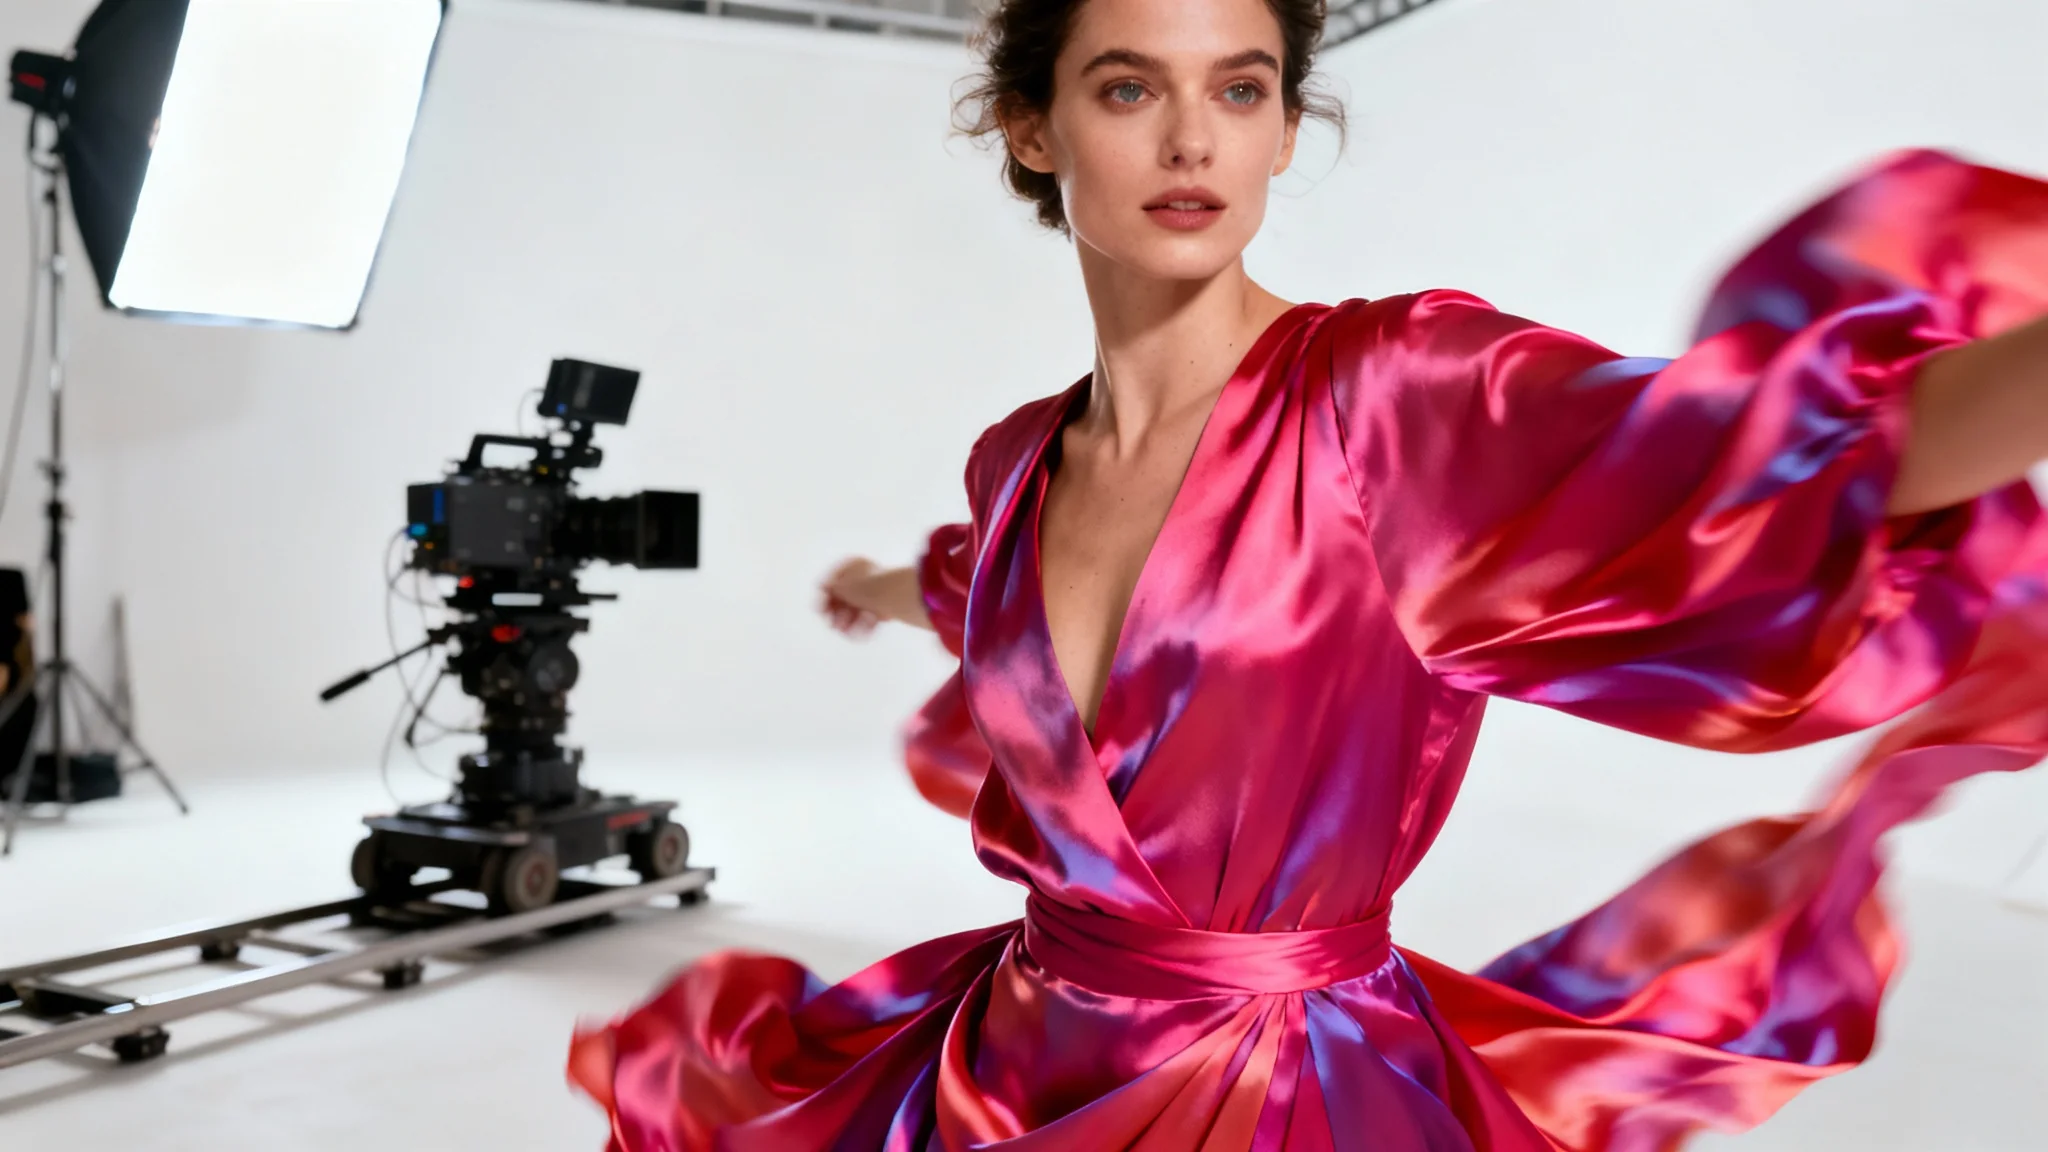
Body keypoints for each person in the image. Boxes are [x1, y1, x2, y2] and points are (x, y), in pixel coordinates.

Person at [568, 0, 2048, 1147]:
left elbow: (1776, 460)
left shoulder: (1387, 396)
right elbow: (973, 598)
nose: (1193, 141)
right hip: (1009, 1075)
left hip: (1281, 1099)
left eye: (1241, 88)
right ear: (1034, 129)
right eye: (1130, 86)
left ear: (1285, 130)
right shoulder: (1015, 459)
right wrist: (865, 586)